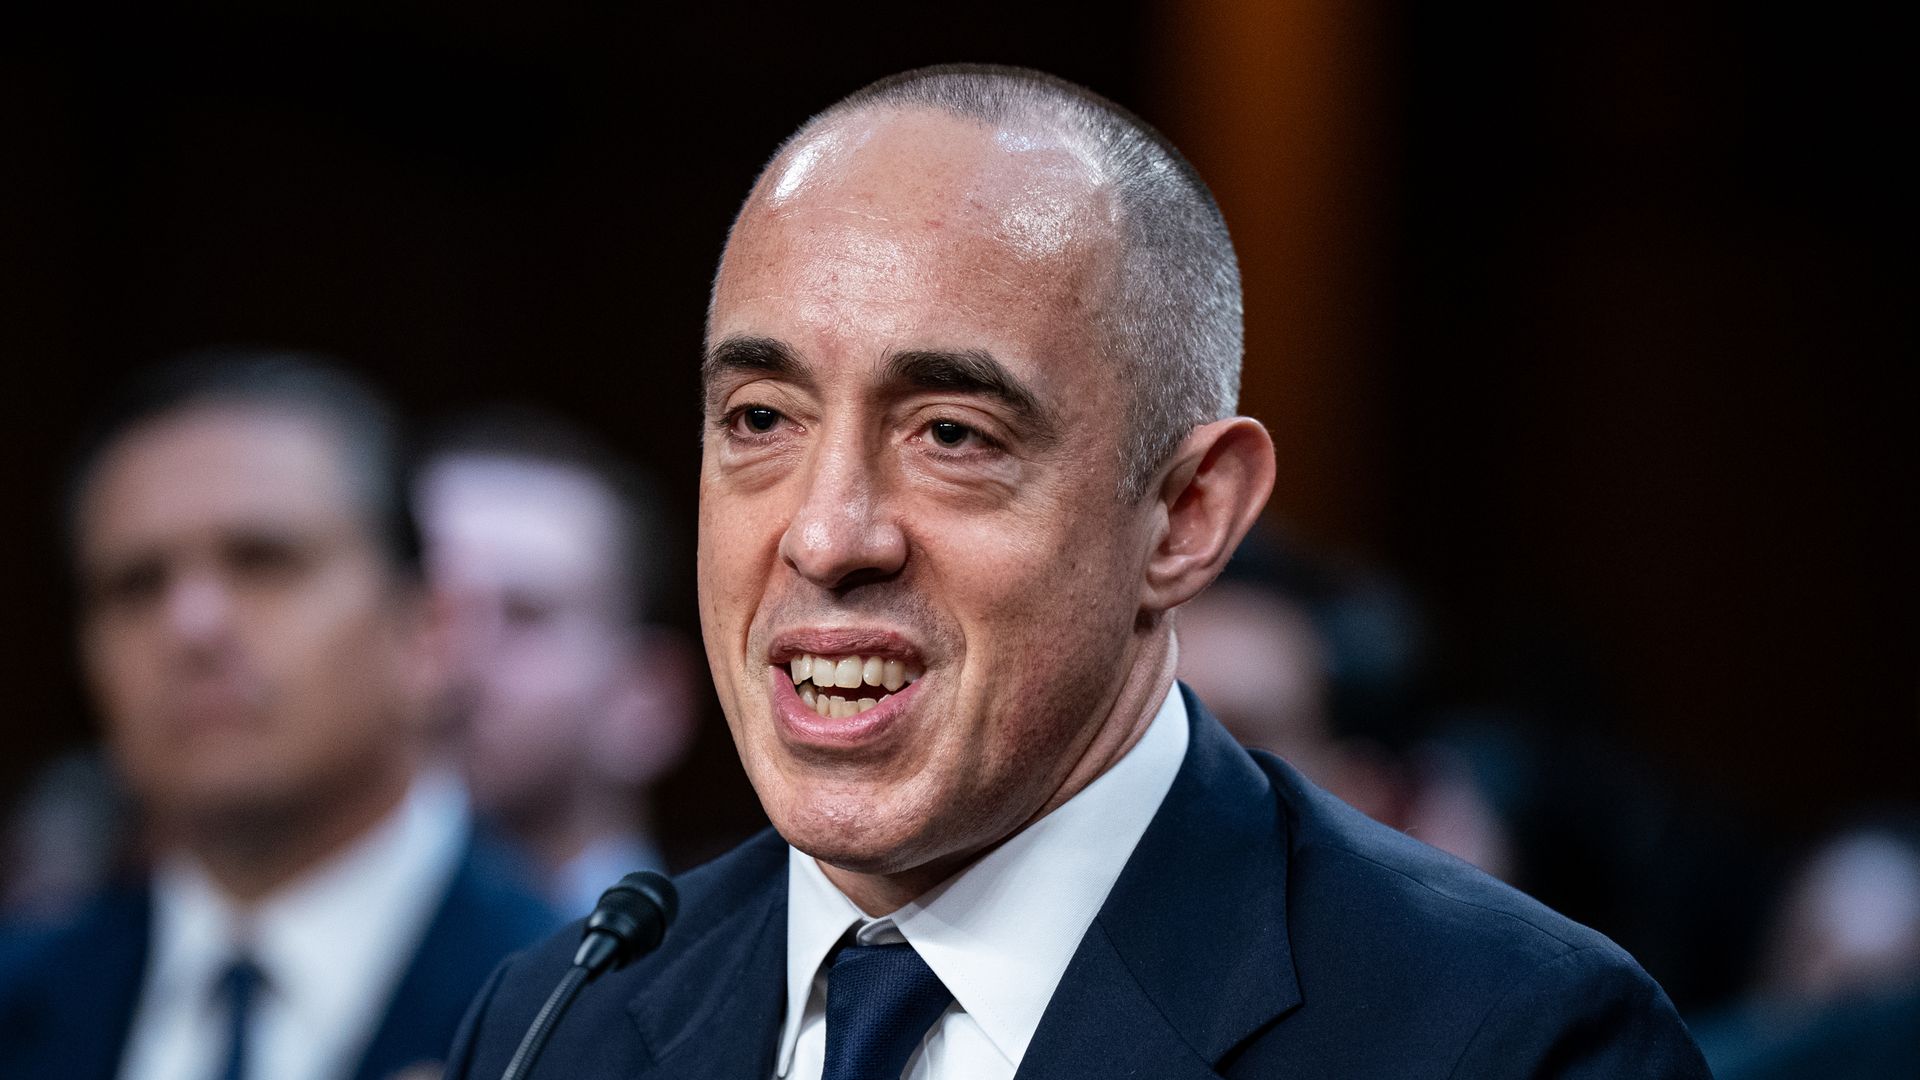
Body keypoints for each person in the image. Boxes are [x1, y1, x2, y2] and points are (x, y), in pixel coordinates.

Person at [446, 65, 1710, 1079]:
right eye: (762, 420)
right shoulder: (560, 1022)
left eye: (952, 434)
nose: (827, 536)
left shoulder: (1504, 1039)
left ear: (1186, 517)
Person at [0, 353, 559, 1080]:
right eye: (135, 585)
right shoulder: (24, 1000)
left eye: (262, 561)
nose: (190, 627)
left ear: (426, 630)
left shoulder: (590, 1008)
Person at [414, 408, 697, 916]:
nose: (459, 654)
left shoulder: (740, 961)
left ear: (648, 701)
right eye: (430, 608)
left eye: (524, 614)